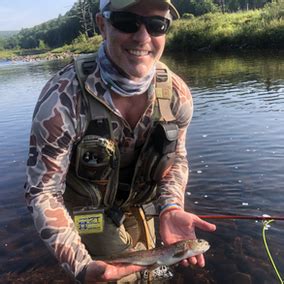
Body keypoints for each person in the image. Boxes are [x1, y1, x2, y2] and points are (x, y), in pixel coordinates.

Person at [25, 0, 216, 283]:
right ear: (102, 26)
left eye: (156, 25)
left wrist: (172, 206)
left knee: (156, 271)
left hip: (142, 201)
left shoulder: (177, 95)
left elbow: (178, 160)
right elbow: (43, 193)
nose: (142, 37)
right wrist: (81, 266)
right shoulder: (62, 99)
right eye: (127, 23)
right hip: (88, 211)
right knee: (117, 276)